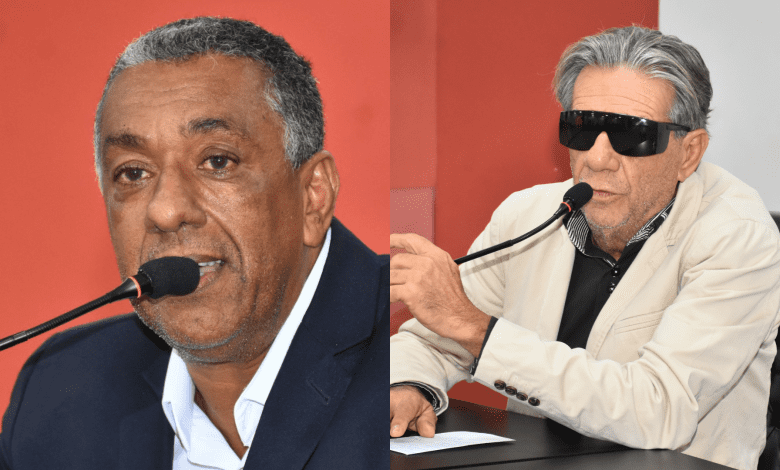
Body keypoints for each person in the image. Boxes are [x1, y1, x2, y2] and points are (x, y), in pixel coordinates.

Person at [0, 17, 388, 469]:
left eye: (217, 161)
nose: (165, 210)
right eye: (133, 172)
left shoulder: (429, 351)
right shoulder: (62, 392)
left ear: (312, 198)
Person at [390, 25, 780, 470]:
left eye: (631, 134)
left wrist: (478, 331)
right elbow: (435, 337)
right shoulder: (527, 214)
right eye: (582, 128)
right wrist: (409, 384)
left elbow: (659, 409)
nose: (597, 158)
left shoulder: (736, 234)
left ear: (689, 153)